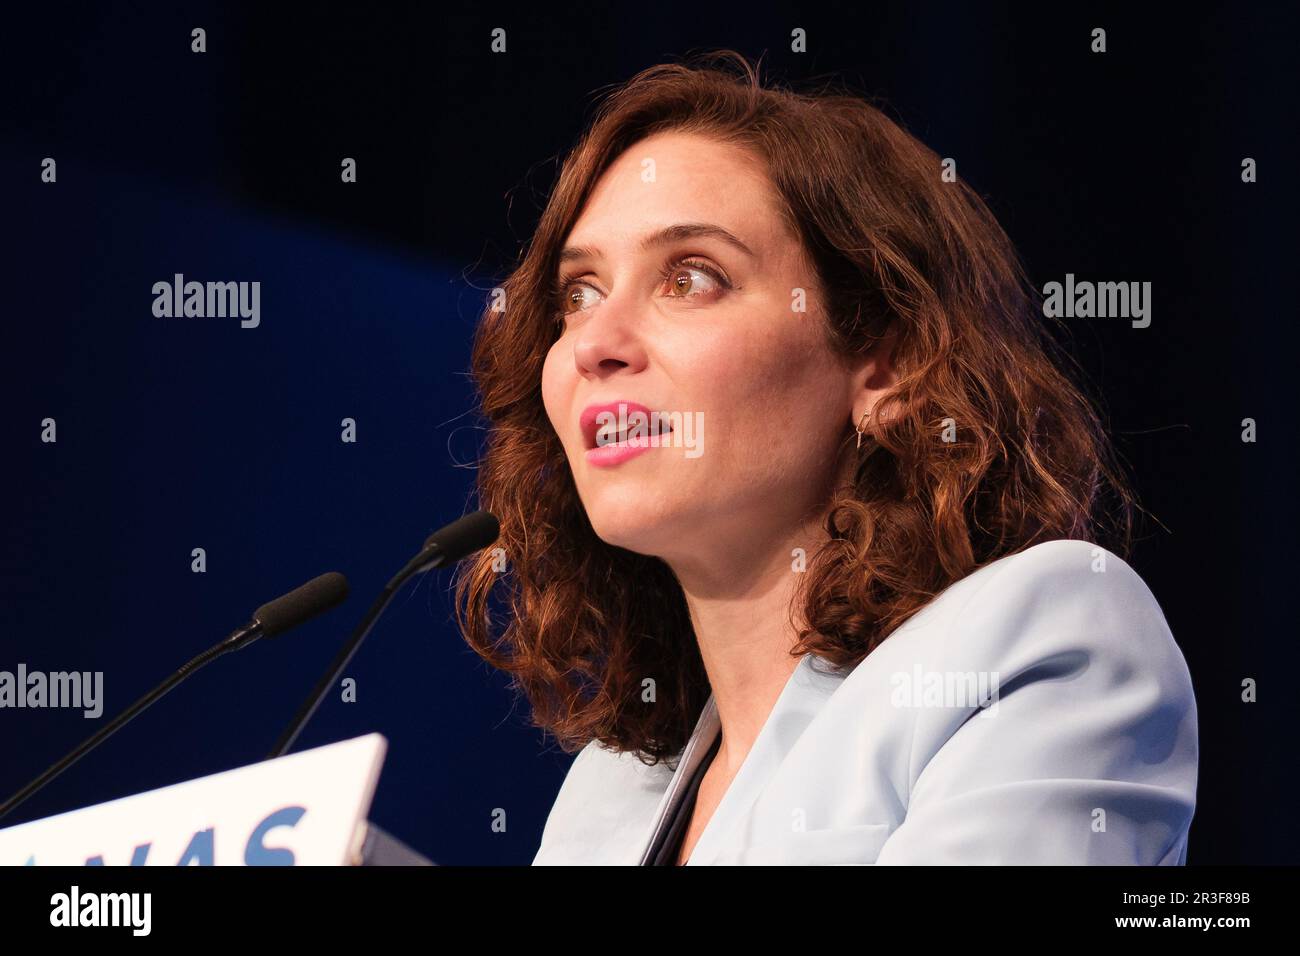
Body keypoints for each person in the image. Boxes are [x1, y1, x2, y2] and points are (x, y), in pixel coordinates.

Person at [453, 50, 1198, 865]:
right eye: (580, 292)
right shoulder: (606, 795)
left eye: (692, 277)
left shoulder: (1036, 645)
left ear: (887, 362)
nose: (595, 342)